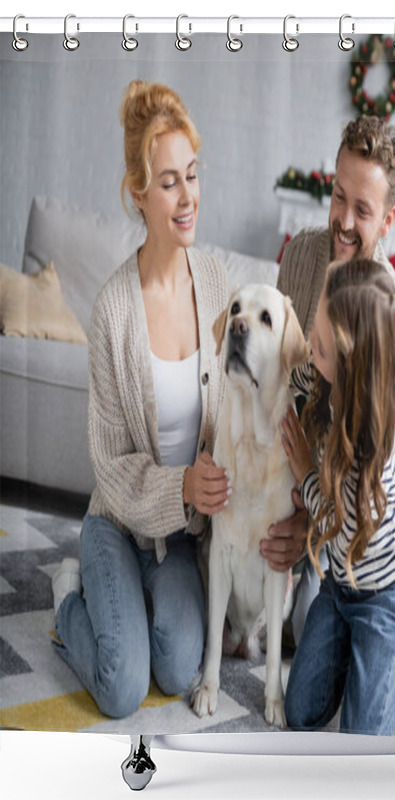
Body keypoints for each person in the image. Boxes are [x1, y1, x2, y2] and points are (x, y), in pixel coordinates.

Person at [50, 80, 229, 719]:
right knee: (122, 688)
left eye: (192, 175)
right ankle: (70, 599)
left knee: (180, 670)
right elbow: (110, 462)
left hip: (181, 538)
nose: (188, 198)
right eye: (168, 182)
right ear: (138, 194)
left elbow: (232, 407)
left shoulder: (213, 283)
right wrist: (182, 485)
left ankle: (128, 609)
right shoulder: (113, 310)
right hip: (118, 525)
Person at [280, 259, 395, 735]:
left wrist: (304, 474)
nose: (308, 349)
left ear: (351, 359)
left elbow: (337, 530)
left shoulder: (375, 447)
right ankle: (353, 665)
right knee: (300, 712)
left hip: (382, 593)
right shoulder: (327, 376)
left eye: (318, 346)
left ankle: (393, 652)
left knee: (363, 747)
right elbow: (291, 375)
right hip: (341, 585)